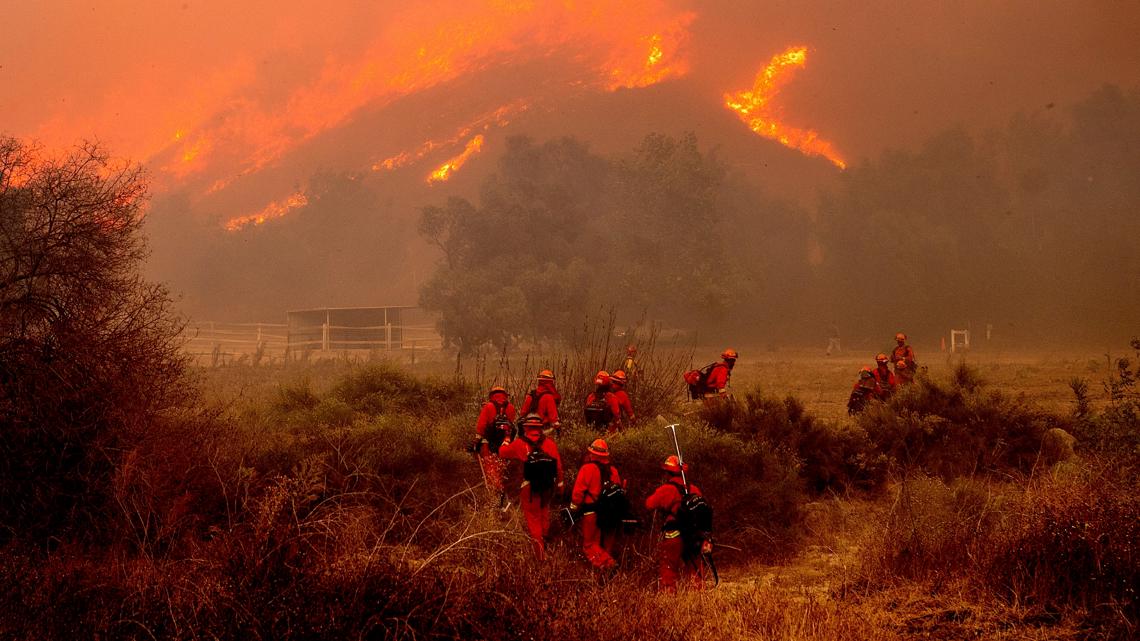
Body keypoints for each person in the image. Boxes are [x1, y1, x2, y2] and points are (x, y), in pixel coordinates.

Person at [497, 414, 563, 560]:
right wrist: (560, 486)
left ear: (525, 427)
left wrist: (506, 440)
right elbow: (558, 467)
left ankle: (540, 555)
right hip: (548, 486)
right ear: (540, 428)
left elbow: (502, 453)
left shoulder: (520, 443)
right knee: (544, 512)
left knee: (533, 520)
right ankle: (545, 540)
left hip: (529, 488)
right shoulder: (550, 444)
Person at [645, 455, 708, 593]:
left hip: (674, 534)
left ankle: (669, 597)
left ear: (668, 473)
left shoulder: (667, 489)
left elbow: (649, 504)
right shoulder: (694, 489)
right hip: (694, 535)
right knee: (695, 566)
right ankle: (699, 597)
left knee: (668, 565)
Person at [570, 439, 625, 569]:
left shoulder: (587, 469)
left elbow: (577, 493)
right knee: (606, 546)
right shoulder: (613, 471)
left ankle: (610, 564)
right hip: (611, 513)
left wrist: (573, 508)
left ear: (592, 454)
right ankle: (605, 576)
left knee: (589, 545)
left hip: (592, 513)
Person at [472, 385, 516, 501]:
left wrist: (476, 441)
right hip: (504, 443)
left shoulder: (488, 407)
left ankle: (495, 491)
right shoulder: (511, 407)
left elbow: (481, 425)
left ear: (492, 395)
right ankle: (502, 486)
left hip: (488, 442)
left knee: (490, 465)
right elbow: (510, 426)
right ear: (505, 395)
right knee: (501, 466)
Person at [520, 369, 562, 435]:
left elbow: (523, 413)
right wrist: (557, 427)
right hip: (544, 428)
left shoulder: (530, 395)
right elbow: (553, 417)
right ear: (551, 382)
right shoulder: (549, 397)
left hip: (529, 428)